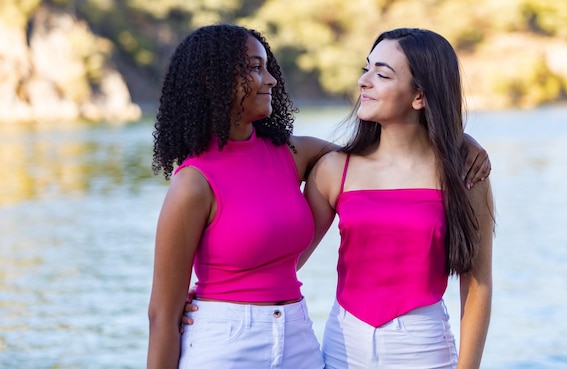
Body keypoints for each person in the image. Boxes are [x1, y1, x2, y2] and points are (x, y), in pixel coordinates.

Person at [150, 23, 490, 369]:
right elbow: (167, 313)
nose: (271, 80)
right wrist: (213, 303)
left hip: (331, 342)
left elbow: (477, 282)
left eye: (382, 74)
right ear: (215, 80)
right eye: (256, 68)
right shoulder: (198, 181)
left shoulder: (297, 154)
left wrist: (460, 141)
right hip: (275, 341)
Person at [299, 28, 495, 369]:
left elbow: (477, 284)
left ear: (419, 96)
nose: (364, 82)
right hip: (343, 345)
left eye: (383, 74)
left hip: (423, 348)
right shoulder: (334, 170)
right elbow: (285, 261)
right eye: (367, 68)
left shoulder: (465, 173)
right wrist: (208, 294)